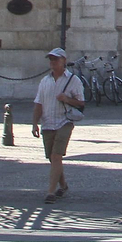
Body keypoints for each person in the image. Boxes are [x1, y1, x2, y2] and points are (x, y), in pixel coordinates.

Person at [31, 47, 85, 204]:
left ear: (64, 61)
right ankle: (63, 185)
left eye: (56, 59)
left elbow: (81, 103)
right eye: (51, 59)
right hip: (47, 122)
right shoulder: (44, 81)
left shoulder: (73, 80)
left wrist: (67, 99)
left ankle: (50, 192)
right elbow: (38, 104)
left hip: (64, 121)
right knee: (53, 158)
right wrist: (35, 123)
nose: (53, 62)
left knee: (56, 155)